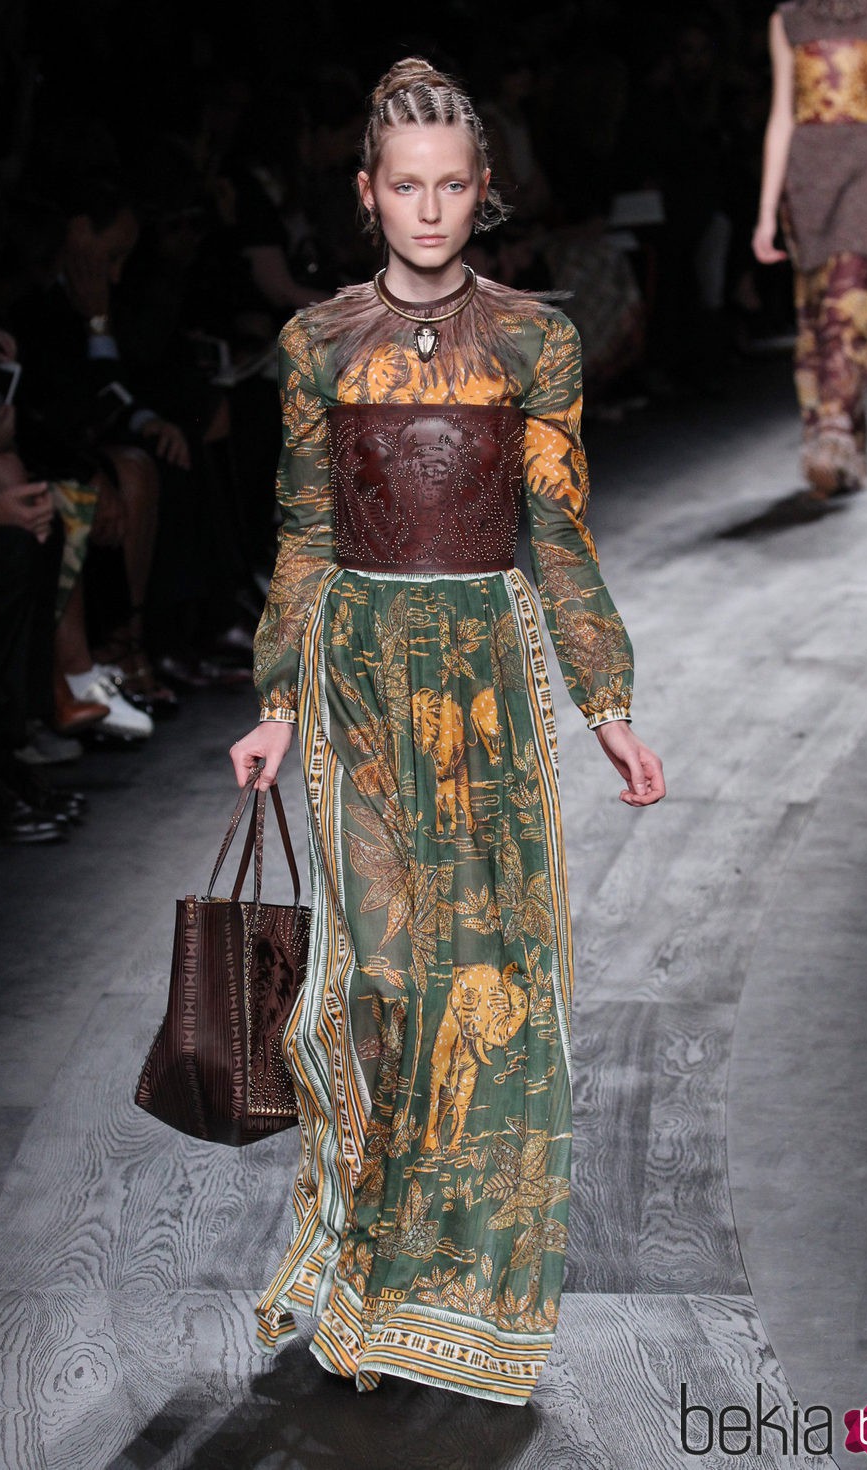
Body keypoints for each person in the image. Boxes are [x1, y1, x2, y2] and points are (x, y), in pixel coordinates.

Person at [230, 57, 665, 1405]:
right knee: (378, 983)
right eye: (402, 187)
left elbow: (557, 530)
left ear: (485, 193)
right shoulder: (317, 344)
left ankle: (450, 1291)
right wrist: (273, 694)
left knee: (493, 988)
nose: (428, 210)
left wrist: (606, 699)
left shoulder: (537, 339)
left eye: (451, 186)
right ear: (369, 195)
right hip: (356, 674)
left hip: (484, 682)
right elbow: (304, 532)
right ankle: (364, 1284)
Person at [753, 0, 867, 496]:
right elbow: (781, 117)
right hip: (809, 172)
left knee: (853, 297)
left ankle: (834, 430)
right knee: (818, 312)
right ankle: (845, 443)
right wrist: (765, 213)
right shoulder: (789, 21)